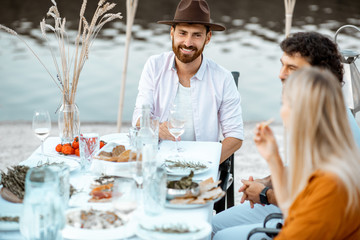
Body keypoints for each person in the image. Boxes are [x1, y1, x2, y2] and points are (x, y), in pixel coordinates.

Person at [212, 32, 360, 239]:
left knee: (220, 236)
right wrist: (266, 179)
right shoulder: (311, 112)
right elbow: (300, 173)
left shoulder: (334, 135)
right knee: (210, 225)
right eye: (282, 64)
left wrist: (264, 195)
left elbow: (314, 201)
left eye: (292, 68)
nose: (281, 74)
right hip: (292, 205)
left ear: (318, 75)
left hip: (306, 215)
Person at [132, 0, 244, 163]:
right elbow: (138, 118)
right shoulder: (154, 66)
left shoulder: (223, 78)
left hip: (202, 165)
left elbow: (235, 137)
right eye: (182, 33)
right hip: (156, 161)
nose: (188, 43)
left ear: (208, 38)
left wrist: (204, 165)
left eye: (197, 35)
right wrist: (156, 127)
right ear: (172, 32)